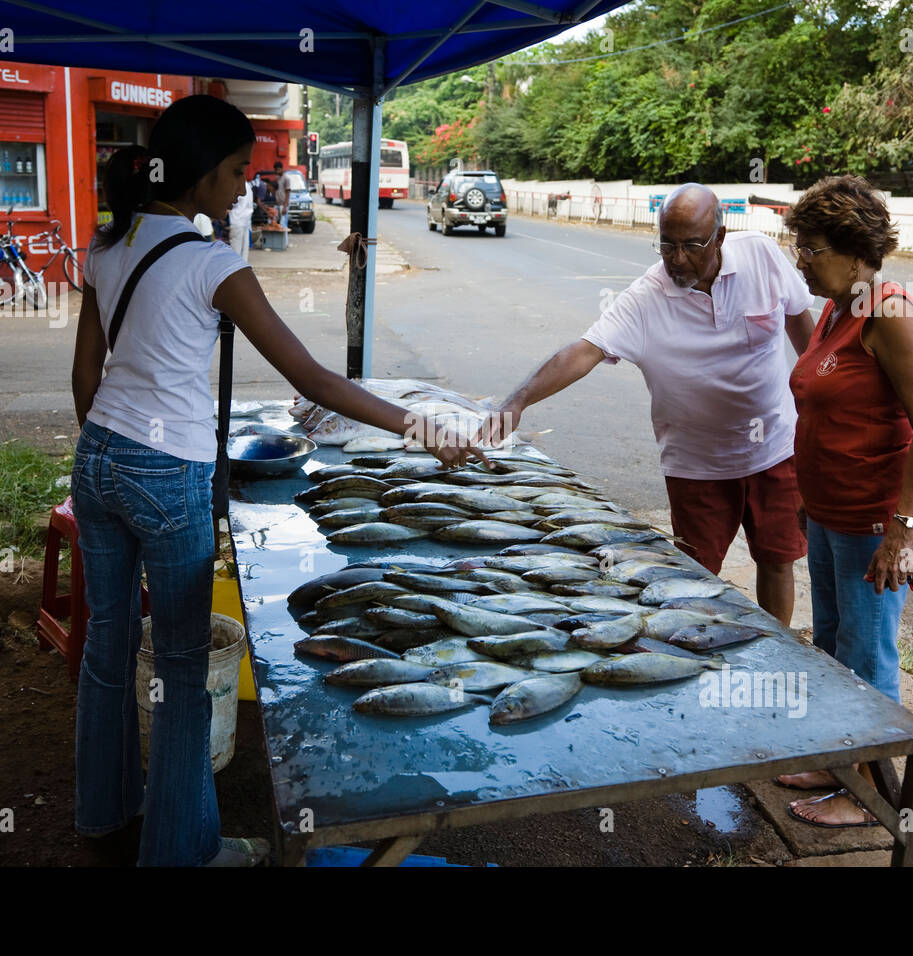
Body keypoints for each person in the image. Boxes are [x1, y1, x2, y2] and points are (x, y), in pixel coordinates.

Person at [70, 94, 485, 866]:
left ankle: (102, 816)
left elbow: (85, 379)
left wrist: (114, 447)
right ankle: (182, 852)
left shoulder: (107, 247)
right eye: (234, 172)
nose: (241, 189)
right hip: (168, 477)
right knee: (185, 671)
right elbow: (313, 378)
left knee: (108, 645)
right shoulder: (211, 263)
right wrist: (424, 427)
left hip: (97, 460)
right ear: (197, 174)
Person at [482, 183, 815, 626]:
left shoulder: (761, 255)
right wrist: (517, 401)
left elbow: (798, 318)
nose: (677, 259)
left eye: (691, 245)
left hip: (774, 445)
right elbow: (585, 351)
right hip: (696, 464)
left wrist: (817, 392)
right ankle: (696, 654)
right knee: (693, 575)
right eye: (666, 244)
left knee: (776, 559)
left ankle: (780, 654)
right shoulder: (645, 297)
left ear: (720, 236)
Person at [779, 174, 913, 827]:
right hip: (827, 513)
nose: (802, 260)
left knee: (869, 654)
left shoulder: (891, 312)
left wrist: (902, 531)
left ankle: (873, 794)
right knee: (831, 642)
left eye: (812, 248)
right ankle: (839, 760)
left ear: (855, 250)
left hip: (874, 523)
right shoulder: (837, 307)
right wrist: (806, 497)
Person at [273, 160, 290, 231]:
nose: (277, 171)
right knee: (275, 225)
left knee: (283, 226)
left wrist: (285, 207)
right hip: (277, 205)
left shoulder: (286, 178)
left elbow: (288, 193)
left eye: (278, 169)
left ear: (282, 169)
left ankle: (284, 241)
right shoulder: (277, 178)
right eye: (275, 170)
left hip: (283, 205)